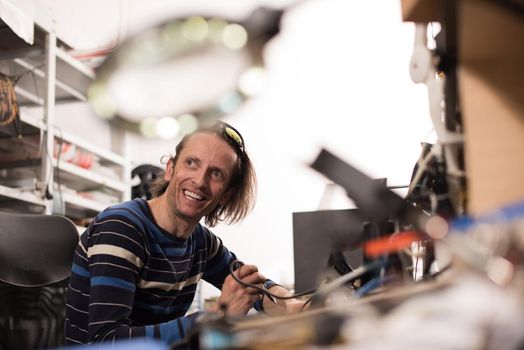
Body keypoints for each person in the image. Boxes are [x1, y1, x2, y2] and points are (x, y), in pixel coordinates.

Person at [65, 121, 306, 345]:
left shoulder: (201, 243)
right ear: (170, 169)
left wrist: (291, 304)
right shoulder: (122, 227)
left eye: (216, 173)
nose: (199, 181)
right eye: (191, 163)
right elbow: (106, 341)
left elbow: (249, 286)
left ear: (227, 194)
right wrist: (215, 317)